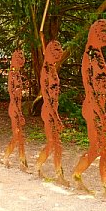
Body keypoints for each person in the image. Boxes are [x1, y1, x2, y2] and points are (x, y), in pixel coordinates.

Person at [72, 19, 106, 198]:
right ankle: (80, 176)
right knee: (100, 149)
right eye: (104, 33)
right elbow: (90, 90)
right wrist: (102, 115)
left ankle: (102, 186)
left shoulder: (97, 53)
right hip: (93, 108)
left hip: (97, 107)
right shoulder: (90, 55)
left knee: (101, 149)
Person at [35, 40, 69, 186]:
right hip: (49, 112)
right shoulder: (46, 71)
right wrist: (57, 118)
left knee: (57, 145)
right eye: (55, 50)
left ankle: (58, 174)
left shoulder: (52, 68)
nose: (59, 53)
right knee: (51, 144)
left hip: (53, 110)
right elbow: (47, 98)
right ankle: (37, 167)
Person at [4, 50, 28, 171]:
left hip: (18, 107)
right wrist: (19, 113)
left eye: (22, 57)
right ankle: (7, 157)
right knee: (17, 135)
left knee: (20, 136)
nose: (22, 59)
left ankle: (22, 162)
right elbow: (13, 96)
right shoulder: (12, 74)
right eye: (19, 57)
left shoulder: (17, 74)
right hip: (14, 108)